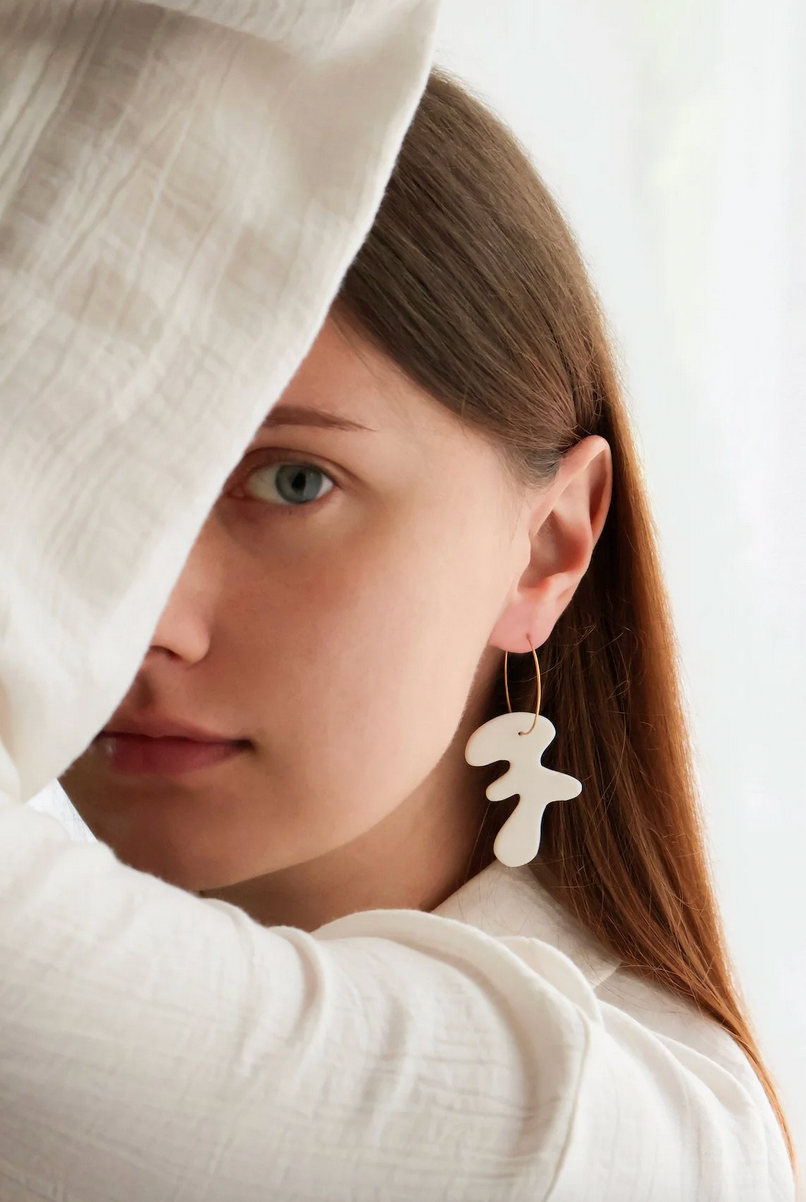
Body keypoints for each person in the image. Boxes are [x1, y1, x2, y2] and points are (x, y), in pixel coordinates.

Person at [0, 1, 797, 1199]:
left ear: (546, 546)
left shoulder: (615, 1140)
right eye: (89, 465)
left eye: (293, 479)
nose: (147, 610)